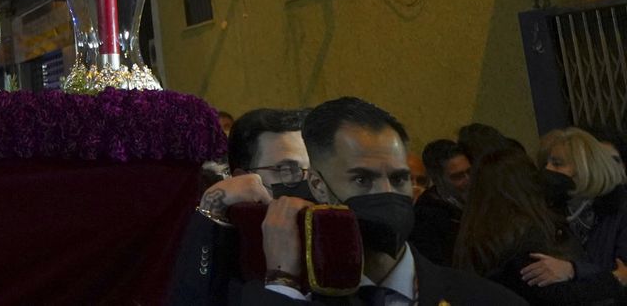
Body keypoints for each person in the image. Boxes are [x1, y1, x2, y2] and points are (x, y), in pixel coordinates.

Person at [245, 96, 522, 304]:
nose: (387, 193)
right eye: (362, 180)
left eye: (399, 179)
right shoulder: (293, 297)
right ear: (318, 185)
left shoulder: (485, 299)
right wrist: (283, 284)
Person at [167, 107, 311, 304]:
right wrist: (210, 208)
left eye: (312, 170)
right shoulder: (231, 250)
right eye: (286, 170)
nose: (309, 184)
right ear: (244, 179)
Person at [454, 147, 625, 304]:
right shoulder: (525, 233)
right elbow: (557, 296)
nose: (546, 172)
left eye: (557, 164)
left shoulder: (474, 231)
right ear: (527, 182)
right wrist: (615, 279)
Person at [536, 128, 627, 284]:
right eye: (546, 163)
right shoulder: (548, 211)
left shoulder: (619, 210)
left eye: (557, 164)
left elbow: (623, 274)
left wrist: (573, 270)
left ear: (585, 168)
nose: (548, 170)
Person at [412, 138, 472, 265]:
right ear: (436, 179)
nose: (469, 181)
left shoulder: (480, 198)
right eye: (457, 176)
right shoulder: (426, 218)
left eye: (469, 172)